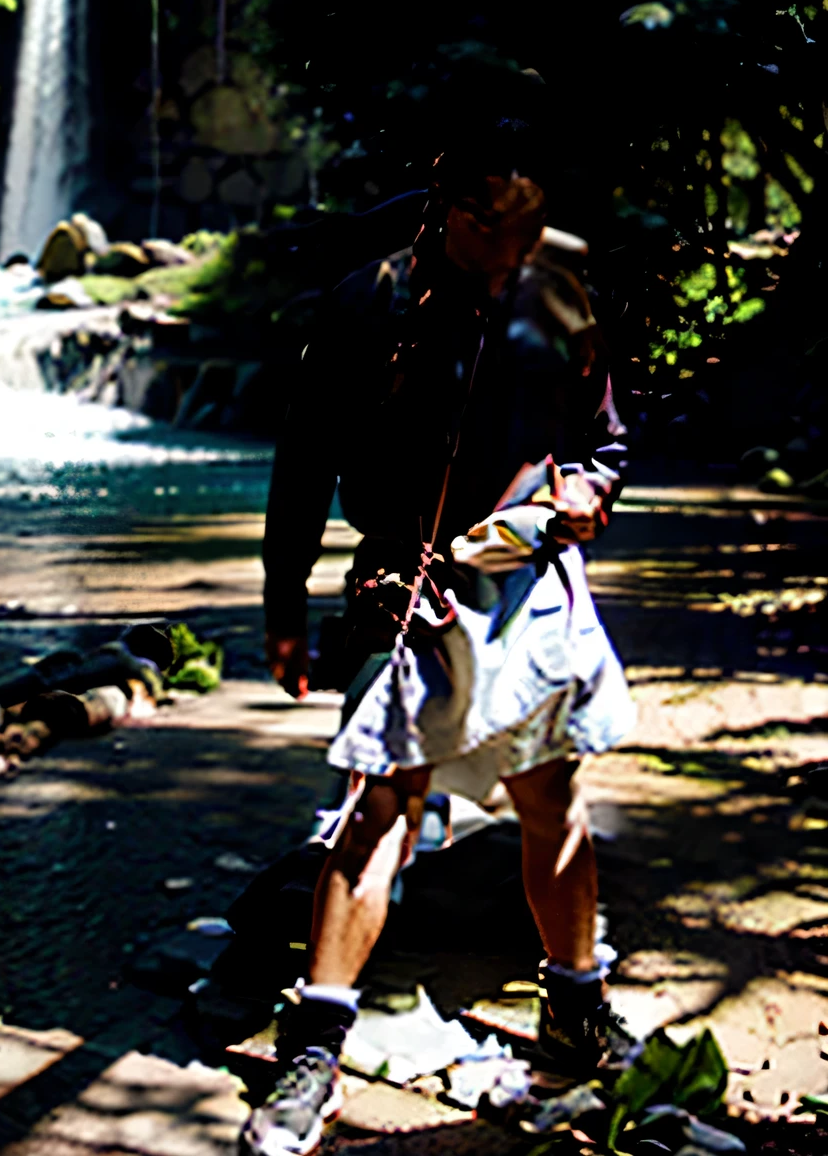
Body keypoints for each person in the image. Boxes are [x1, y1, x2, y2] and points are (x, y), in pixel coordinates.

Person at [242, 142, 638, 1156]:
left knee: (551, 795)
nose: (513, 251)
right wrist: (283, 604)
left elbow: (602, 442)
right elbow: (301, 467)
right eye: (492, 229)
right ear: (447, 211)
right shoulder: (363, 305)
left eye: (528, 227)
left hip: (533, 584)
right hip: (403, 586)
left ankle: (574, 1010)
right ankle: (314, 1050)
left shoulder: (559, 297)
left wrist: (590, 492)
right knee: (377, 810)